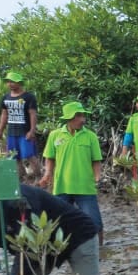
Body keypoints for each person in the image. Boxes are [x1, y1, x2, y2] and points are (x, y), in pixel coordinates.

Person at [39, 101, 104, 245]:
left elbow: (96, 160)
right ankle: (62, 251)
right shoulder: (55, 135)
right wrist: (47, 174)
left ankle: (99, 250)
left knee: (94, 221)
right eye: (78, 116)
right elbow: (50, 158)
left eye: (83, 116)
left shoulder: (90, 136)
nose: (82, 120)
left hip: (85, 187)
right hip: (62, 186)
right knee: (58, 222)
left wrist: (97, 177)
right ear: (68, 118)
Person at [0, 70, 39, 179]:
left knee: (29, 156)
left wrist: (32, 131)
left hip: (25, 132)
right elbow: (4, 115)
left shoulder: (29, 97)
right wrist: (0, 131)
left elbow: (33, 114)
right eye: (8, 82)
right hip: (12, 133)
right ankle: (20, 178)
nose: (10, 84)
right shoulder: (5, 98)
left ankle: (40, 176)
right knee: (14, 157)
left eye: (12, 81)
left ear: (19, 83)